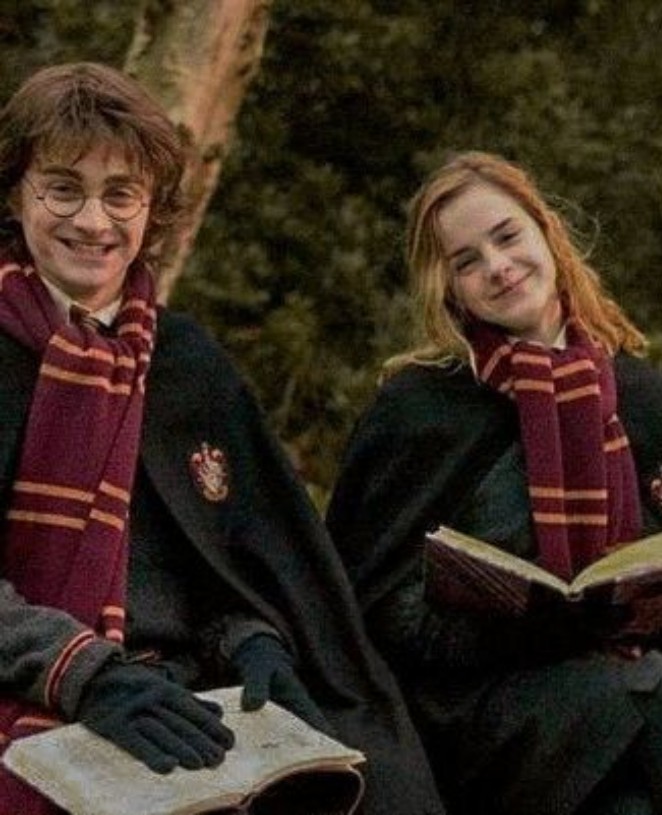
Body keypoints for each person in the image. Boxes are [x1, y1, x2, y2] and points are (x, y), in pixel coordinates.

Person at [0, 62, 444, 815]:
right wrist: (82, 671)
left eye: (121, 194)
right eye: (63, 189)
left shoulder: (186, 363)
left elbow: (235, 559)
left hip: (190, 688)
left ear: (152, 210)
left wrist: (253, 637)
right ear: (16, 194)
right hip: (36, 681)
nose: (94, 221)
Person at [325, 150, 662, 815]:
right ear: (447, 289)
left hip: (609, 706)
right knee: (661, 691)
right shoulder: (421, 410)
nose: (498, 266)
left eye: (507, 236)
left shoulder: (637, 394)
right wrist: (525, 629)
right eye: (467, 261)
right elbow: (374, 609)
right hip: (471, 715)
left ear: (547, 233)